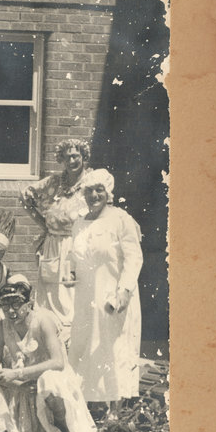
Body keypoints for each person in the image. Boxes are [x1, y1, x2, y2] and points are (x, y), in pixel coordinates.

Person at [0, 276, 99, 432]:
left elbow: (58, 363)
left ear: (29, 303)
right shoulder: (0, 327)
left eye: (17, 304)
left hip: (52, 383)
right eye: (5, 305)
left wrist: (18, 373)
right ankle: (22, 425)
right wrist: (18, 384)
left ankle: (64, 426)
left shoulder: (43, 321)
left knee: (49, 381)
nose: (11, 311)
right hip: (20, 386)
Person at [67, 169, 143, 417]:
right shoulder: (80, 222)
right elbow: (74, 256)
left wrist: (124, 291)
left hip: (113, 296)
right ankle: (91, 405)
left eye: (99, 189)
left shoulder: (121, 219)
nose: (94, 195)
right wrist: (71, 273)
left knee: (112, 348)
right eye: (89, 190)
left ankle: (116, 412)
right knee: (85, 346)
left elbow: (134, 259)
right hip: (85, 297)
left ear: (108, 192)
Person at [19, 138, 95, 340]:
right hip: (53, 245)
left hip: (79, 245)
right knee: (51, 293)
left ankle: (73, 341)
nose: (72, 161)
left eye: (76, 156)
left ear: (83, 157)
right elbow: (25, 196)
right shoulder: (54, 182)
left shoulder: (91, 182)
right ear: (61, 159)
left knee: (73, 293)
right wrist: (43, 224)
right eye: (67, 156)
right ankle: (49, 338)